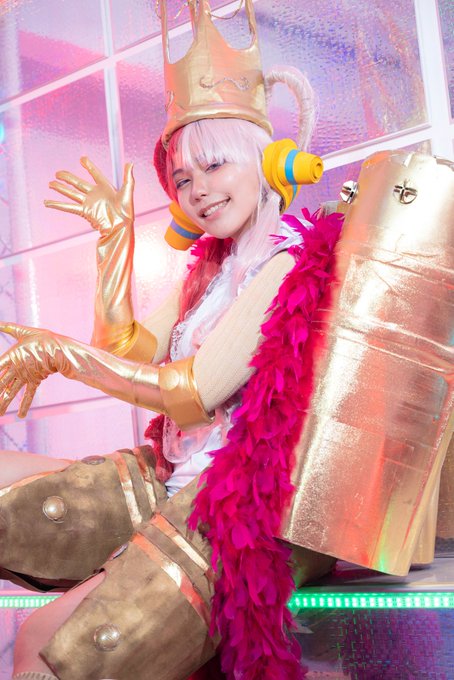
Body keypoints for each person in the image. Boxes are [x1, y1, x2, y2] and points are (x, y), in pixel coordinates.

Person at [0, 1, 339, 678]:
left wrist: (61, 356)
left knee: (49, 645)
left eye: (214, 166)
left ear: (266, 160)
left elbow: (194, 393)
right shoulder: (208, 273)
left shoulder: (286, 265)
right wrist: (113, 244)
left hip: (234, 510)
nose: (198, 191)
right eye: (183, 179)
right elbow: (124, 351)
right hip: (170, 480)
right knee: (32, 611)